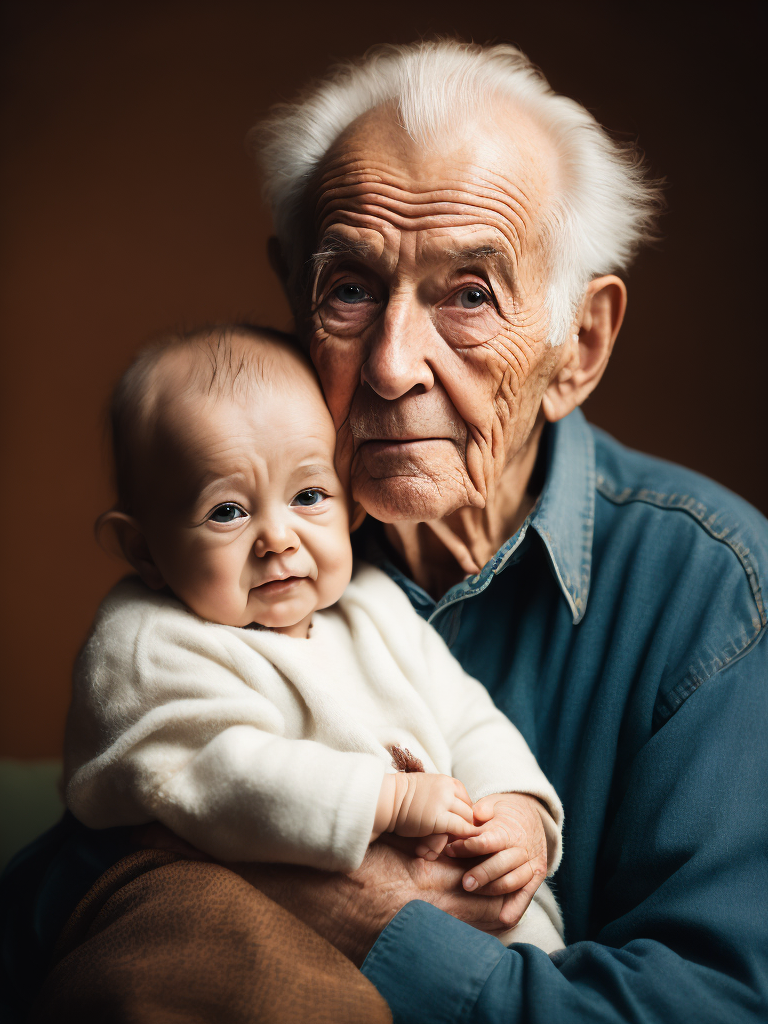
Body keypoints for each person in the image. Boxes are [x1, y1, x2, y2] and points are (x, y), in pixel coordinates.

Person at [2, 37, 766, 1024]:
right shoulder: (231, 560)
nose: (394, 364)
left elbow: (709, 1008)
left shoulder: (714, 596)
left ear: (579, 346)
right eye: (352, 287)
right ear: (294, 300)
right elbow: (64, 903)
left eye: (469, 293)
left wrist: (371, 918)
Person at [64, 324, 564, 953]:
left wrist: (516, 809)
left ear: (350, 506)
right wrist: (388, 799)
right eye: (228, 511)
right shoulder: (148, 644)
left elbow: (468, 717)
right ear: (146, 551)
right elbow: (216, 776)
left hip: (490, 923)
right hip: (284, 942)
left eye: (308, 495)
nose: (278, 537)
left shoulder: (373, 607)